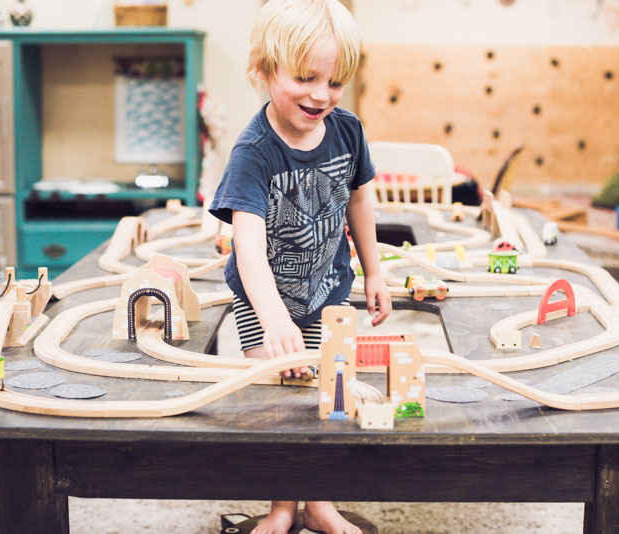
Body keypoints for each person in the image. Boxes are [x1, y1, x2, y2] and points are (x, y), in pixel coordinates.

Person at [209, 1, 392, 533]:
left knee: (331, 395)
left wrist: (375, 271)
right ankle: (282, 506)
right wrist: (273, 320)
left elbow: (360, 200)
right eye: (305, 78)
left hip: (326, 291)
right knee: (281, 403)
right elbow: (247, 245)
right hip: (264, 301)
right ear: (265, 70)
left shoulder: (347, 131)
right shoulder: (254, 152)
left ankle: (320, 503)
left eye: (335, 82)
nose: (321, 95)